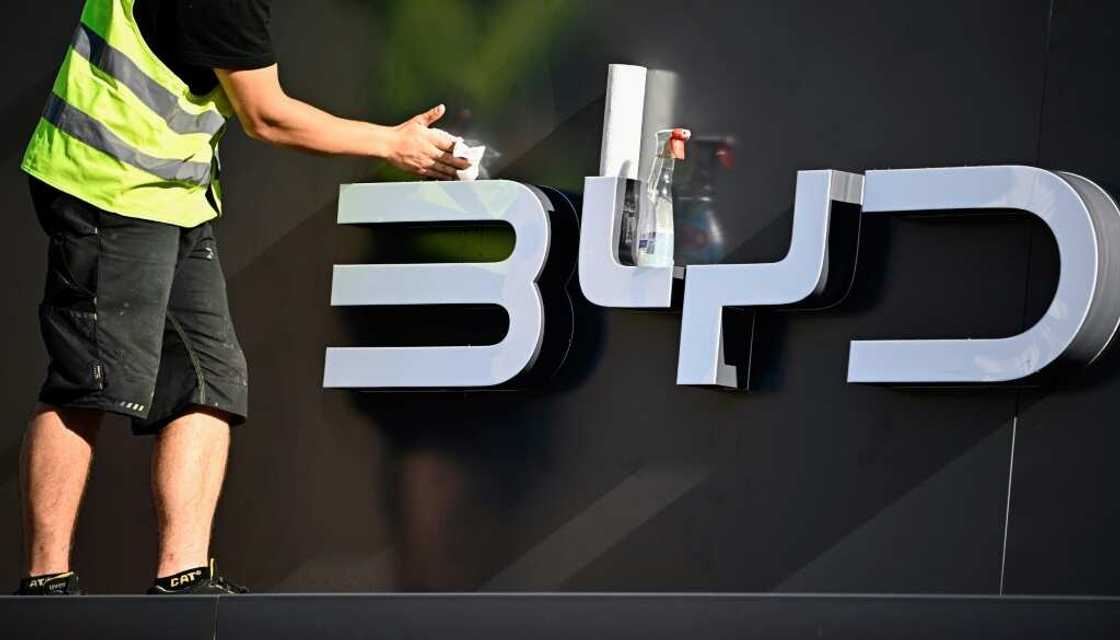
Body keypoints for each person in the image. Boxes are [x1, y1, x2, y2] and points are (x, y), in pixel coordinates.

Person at [15, 0, 469, 596]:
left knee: (209, 378)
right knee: (88, 381)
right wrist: (391, 143)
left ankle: (182, 577)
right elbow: (267, 116)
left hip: (174, 192)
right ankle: (45, 582)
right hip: (107, 181)